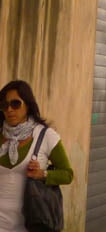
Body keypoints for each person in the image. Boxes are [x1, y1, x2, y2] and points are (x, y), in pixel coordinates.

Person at [0, 80, 73, 232]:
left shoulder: (46, 136)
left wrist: (42, 174)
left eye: (15, 104)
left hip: (30, 224)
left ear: (27, 105)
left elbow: (68, 174)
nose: (9, 110)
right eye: (4, 105)